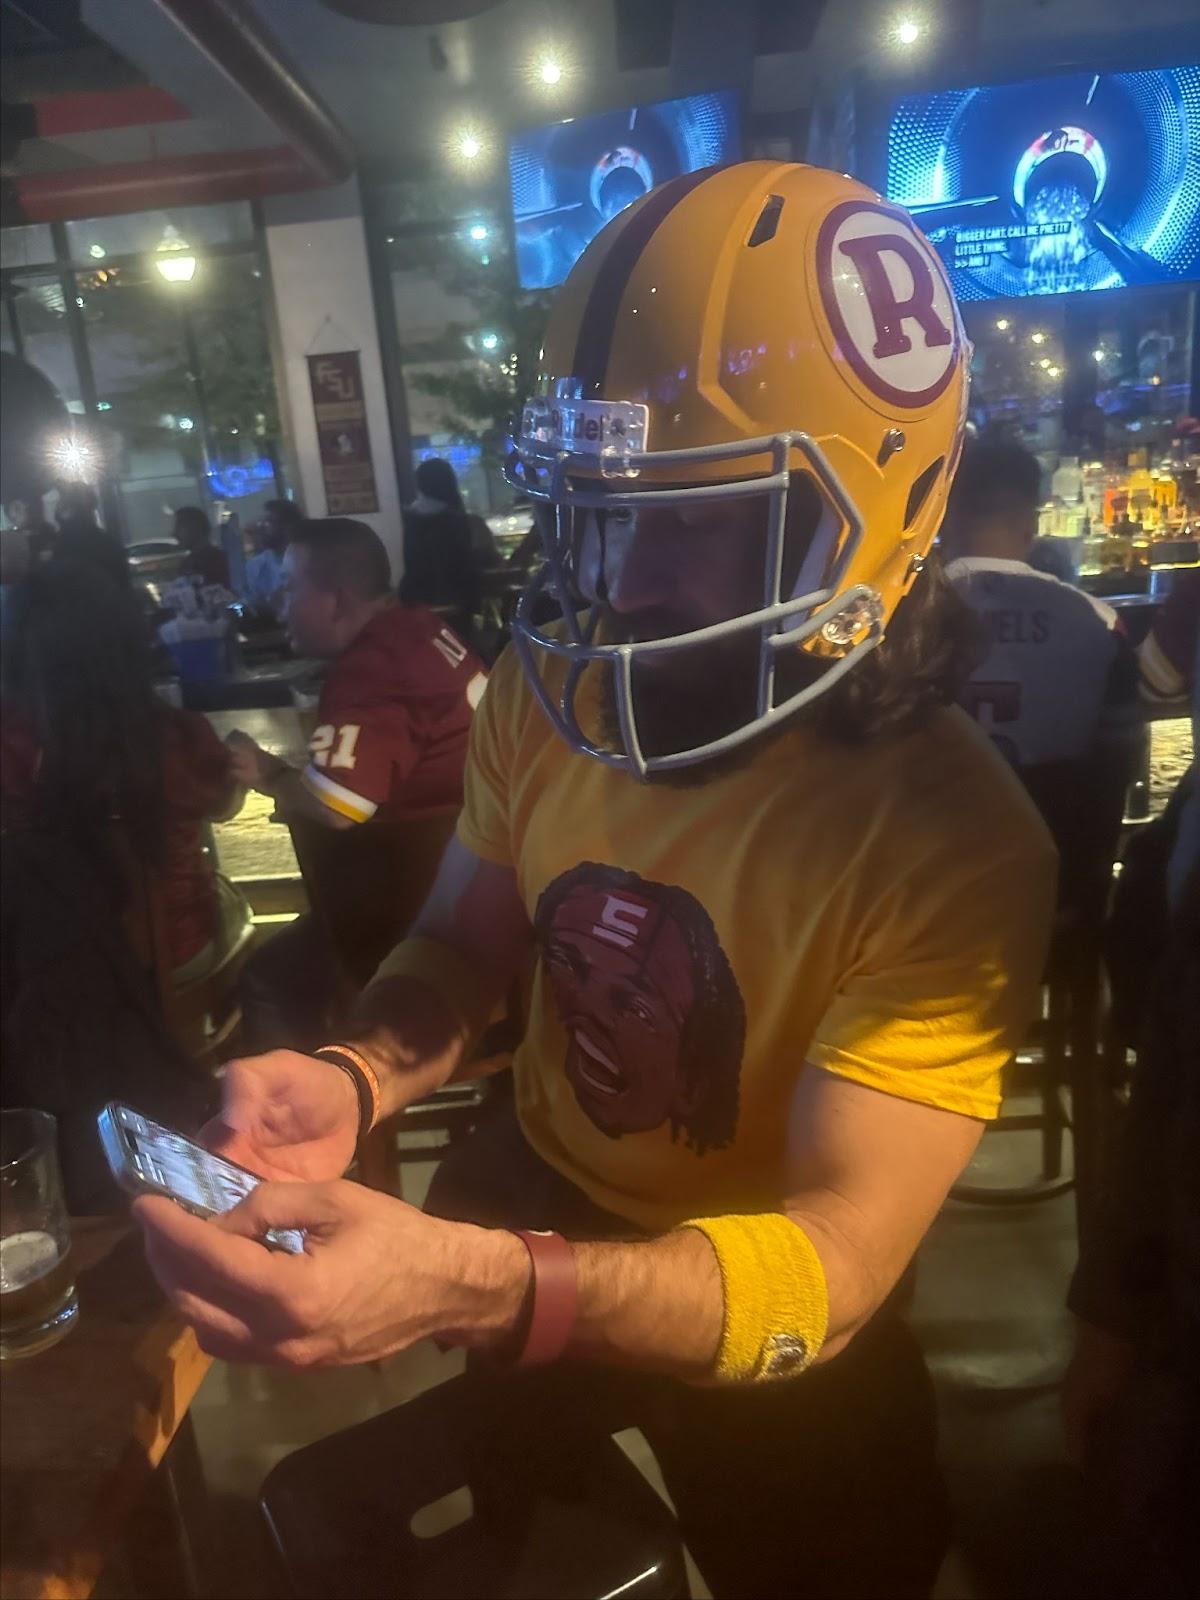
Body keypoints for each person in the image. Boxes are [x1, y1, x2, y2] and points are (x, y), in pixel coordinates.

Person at [134, 164, 1056, 1599]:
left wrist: (476, 1279)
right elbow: (465, 946)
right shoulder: (543, 690)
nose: (623, 583)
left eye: (697, 518)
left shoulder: (957, 837)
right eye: (604, 511)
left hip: (768, 1291)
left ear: (867, 522)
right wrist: (356, 1074)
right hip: (544, 1187)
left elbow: (831, 1266)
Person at [228, 517, 486, 1045]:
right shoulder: (421, 627)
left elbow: (337, 808)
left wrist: (267, 772)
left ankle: (328, 1094)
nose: (277, 602)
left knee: (267, 981)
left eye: (288, 587)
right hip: (485, 897)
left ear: (336, 601)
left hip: (422, 923)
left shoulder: (373, 666)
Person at [0, 562, 247, 980]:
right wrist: (241, 766)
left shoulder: (10, 738)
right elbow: (224, 806)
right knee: (226, 894)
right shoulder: (173, 734)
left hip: (38, 969)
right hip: (174, 955)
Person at [941, 439, 1136, 767]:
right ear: (1031, 524)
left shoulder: (898, 623)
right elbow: (1121, 760)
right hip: (1061, 800)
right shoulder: (1100, 622)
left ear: (943, 516)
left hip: (937, 800)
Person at [400, 457, 498, 638]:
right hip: (456, 603)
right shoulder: (456, 521)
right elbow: (463, 566)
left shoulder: (409, 519)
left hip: (418, 603)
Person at [244, 498, 303, 620]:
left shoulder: (309, 562)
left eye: (268, 522)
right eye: (260, 522)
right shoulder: (255, 566)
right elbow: (253, 608)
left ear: (288, 527)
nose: (260, 527)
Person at [173, 504, 231, 591]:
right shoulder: (186, 565)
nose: (175, 533)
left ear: (195, 528)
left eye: (180, 527)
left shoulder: (218, 561)